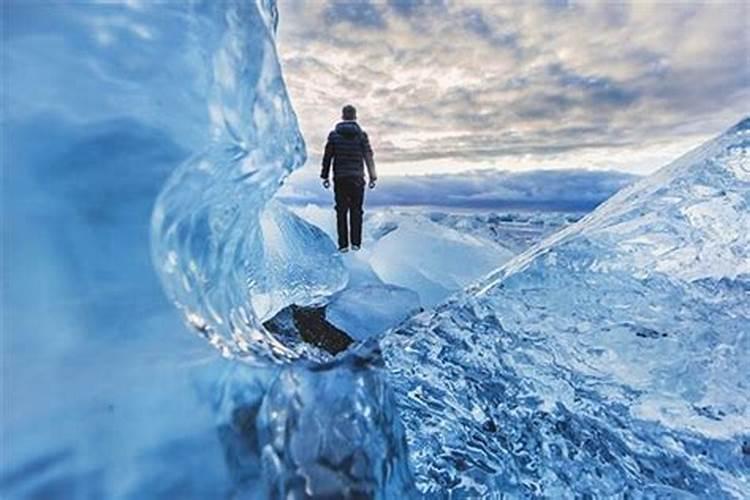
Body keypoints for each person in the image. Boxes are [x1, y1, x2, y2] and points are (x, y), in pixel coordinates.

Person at [320, 104, 377, 252]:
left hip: (340, 179)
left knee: (341, 211)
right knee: (356, 210)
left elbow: (328, 157)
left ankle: (343, 245)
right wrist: (373, 177)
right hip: (357, 179)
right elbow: (368, 156)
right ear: (355, 117)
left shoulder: (334, 135)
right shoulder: (361, 135)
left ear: (343, 116)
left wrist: (324, 176)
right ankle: (356, 243)